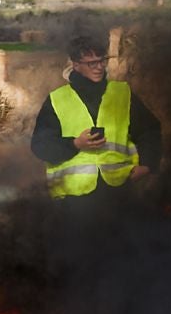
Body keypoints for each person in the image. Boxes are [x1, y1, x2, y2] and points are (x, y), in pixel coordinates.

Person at [28, 35, 161, 204]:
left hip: (119, 191)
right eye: (92, 63)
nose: (99, 67)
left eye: (101, 61)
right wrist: (75, 144)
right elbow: (40, 146)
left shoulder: (122, 93)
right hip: (74, 199)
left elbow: (149, 130)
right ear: (76, 65)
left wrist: (148, 165)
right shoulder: (57, 99)